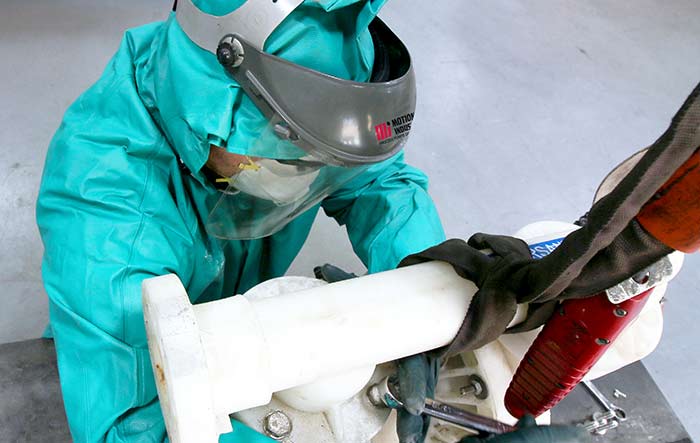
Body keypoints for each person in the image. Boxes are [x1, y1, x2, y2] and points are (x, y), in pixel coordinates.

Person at [36, 1, 587, 442]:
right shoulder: (104, 214)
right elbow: (135, 423)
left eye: (323, 163)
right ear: (210, 116)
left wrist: (430, 291)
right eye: (292, 160)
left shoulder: (298, 97)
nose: (310, 179)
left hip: (244, 317)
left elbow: (379, 184)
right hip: (123, 347)